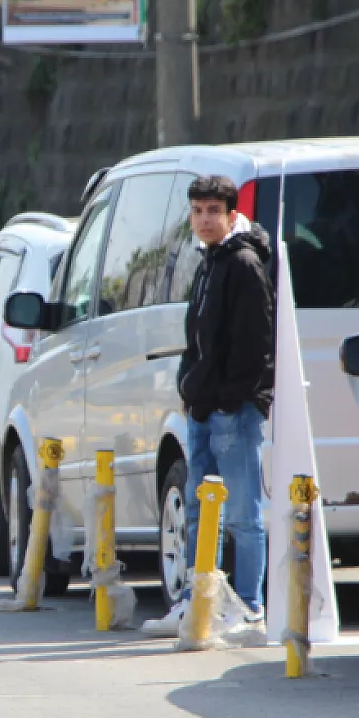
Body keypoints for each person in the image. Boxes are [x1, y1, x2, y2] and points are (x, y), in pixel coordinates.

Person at [145, 174, 274, 635]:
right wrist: (190, 389)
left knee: (243, 514)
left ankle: (251, 609)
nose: (204, 219)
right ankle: (197, 603)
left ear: (231, 214)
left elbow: (256, 346)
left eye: (213, 211)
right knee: (200, 512)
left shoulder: (242, 263)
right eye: (198, 211)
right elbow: (198, 340)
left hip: (233, 412)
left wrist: (226, 400)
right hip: (201, 410)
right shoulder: (209, 261)